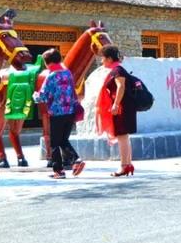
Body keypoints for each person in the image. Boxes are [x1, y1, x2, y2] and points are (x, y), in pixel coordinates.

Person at [33, 49, 85, 179]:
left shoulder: (51, 76)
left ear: (47, 62)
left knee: (55, 143)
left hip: (57, 113)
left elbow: (43, 97)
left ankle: (59, 171)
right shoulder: (68, 73)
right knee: (63, 140)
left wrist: (35, 96)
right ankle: (76, 160)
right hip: (70, 112)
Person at [96, 44, 137, 176]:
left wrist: (115, 104)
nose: (101, 61)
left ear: (108, 58)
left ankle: (124, 166)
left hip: (122, 107)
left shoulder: (117, 71)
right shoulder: (117, 69)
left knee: (122, 136)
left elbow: (121, 87)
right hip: (124, 106)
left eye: (102, 58)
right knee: (124, 136)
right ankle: (128, 164)